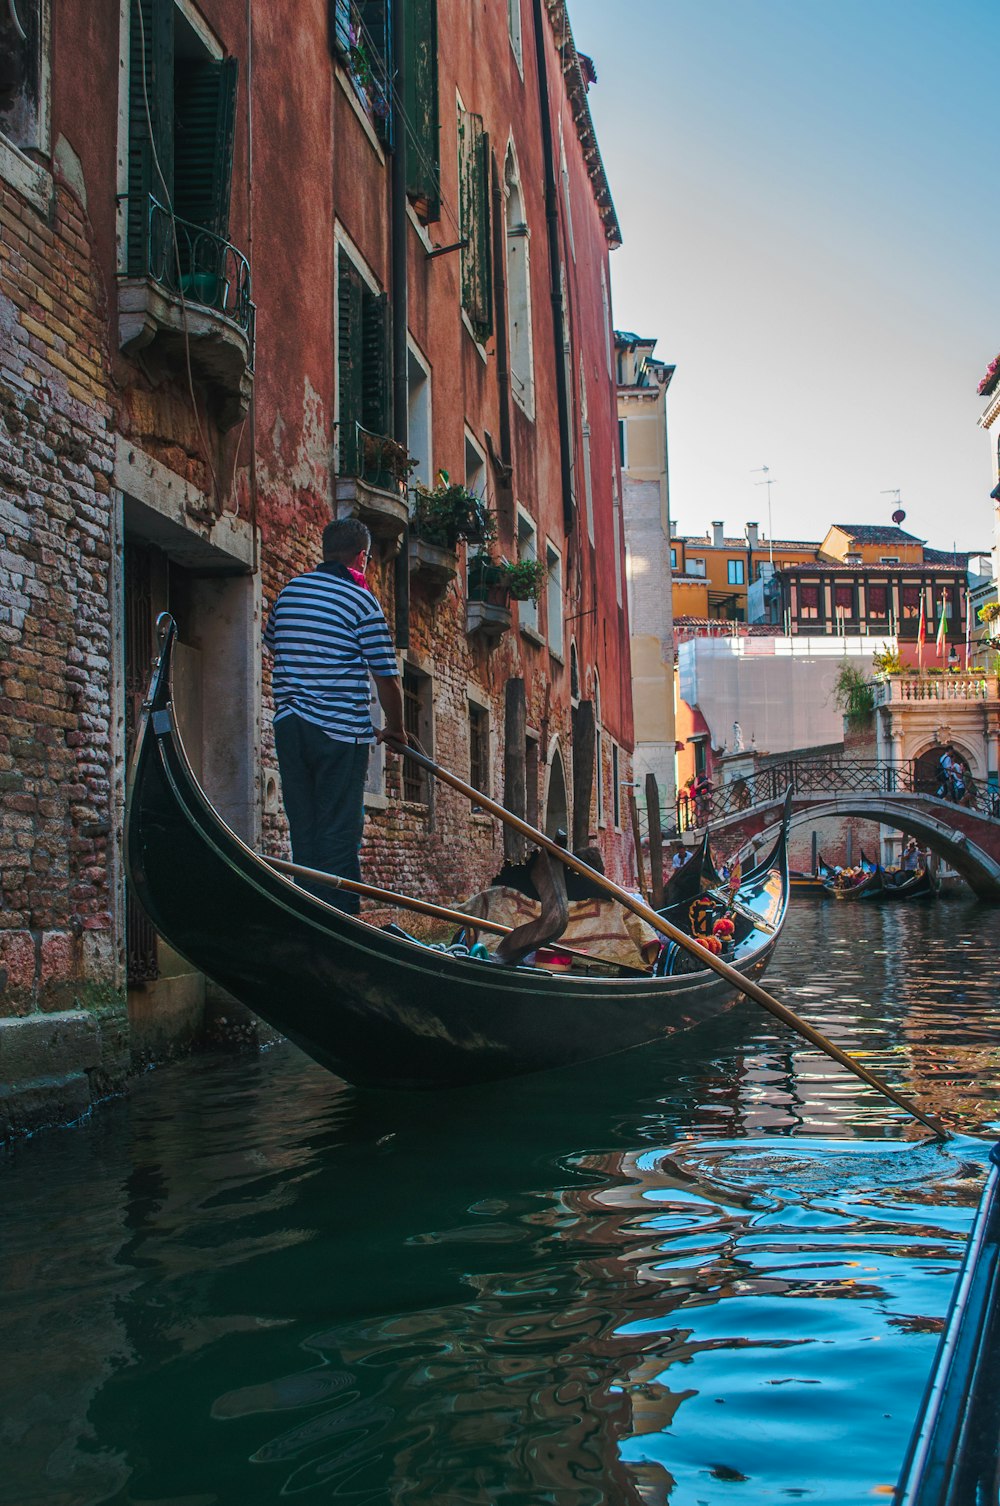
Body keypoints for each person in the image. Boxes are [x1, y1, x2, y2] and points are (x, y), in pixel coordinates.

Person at [263, 517, 409, 913]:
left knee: (305, 834)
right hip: (340, 735)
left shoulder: (291, 591)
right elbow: (387, 679)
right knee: (340, 837)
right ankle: (342, 925)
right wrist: (396, 730)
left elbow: (274, 642)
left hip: (291, 727)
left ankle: (308, 919)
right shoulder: (362, 601)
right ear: (361, 557)